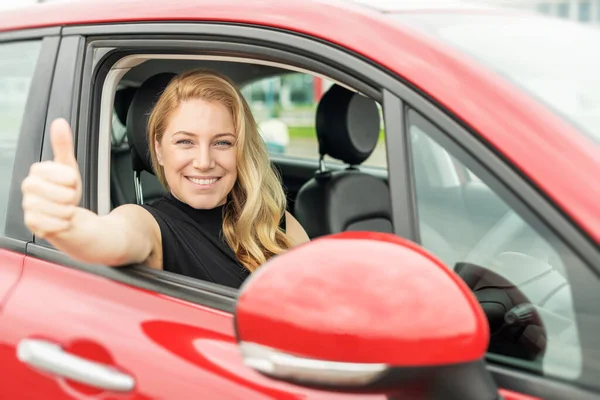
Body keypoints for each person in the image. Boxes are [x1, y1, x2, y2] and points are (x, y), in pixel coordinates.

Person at [21, 69, 310, 288]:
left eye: (222, 143)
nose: (204, 162)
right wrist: (67, 225)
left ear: (241, 149)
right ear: (158, 150)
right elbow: (111, 236)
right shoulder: (151, 226)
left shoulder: (271, 218)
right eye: (185, 142)